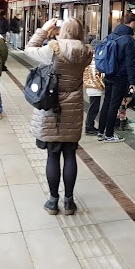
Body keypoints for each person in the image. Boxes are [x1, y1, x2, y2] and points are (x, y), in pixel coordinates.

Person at [25, 18, 93, 215]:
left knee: (53, 155)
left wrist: (44, 30)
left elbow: (29, 49)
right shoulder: (87, 52)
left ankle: (53, 202)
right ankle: (69, 202)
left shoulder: (53, 49)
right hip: (73, 110)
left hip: (52, 108)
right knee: (70, 154)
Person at [97, 13, 135, 143]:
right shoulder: (129, 39)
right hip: (120, 77)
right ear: (132, 23)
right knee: (114, 105)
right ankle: (109, 134)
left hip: (109, 74)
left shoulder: (111, 35)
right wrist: (133, 82)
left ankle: (100, 131)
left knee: (106, 103)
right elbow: (129, 63)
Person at [84, 39, 104, 135]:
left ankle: (89, 125)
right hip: (94, 87)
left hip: (91, 86)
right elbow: (95, 75)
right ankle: (89, 126)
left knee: (93, 107)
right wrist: (102, 86)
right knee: (94, 108)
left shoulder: (89, 57)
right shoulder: (95, 59)